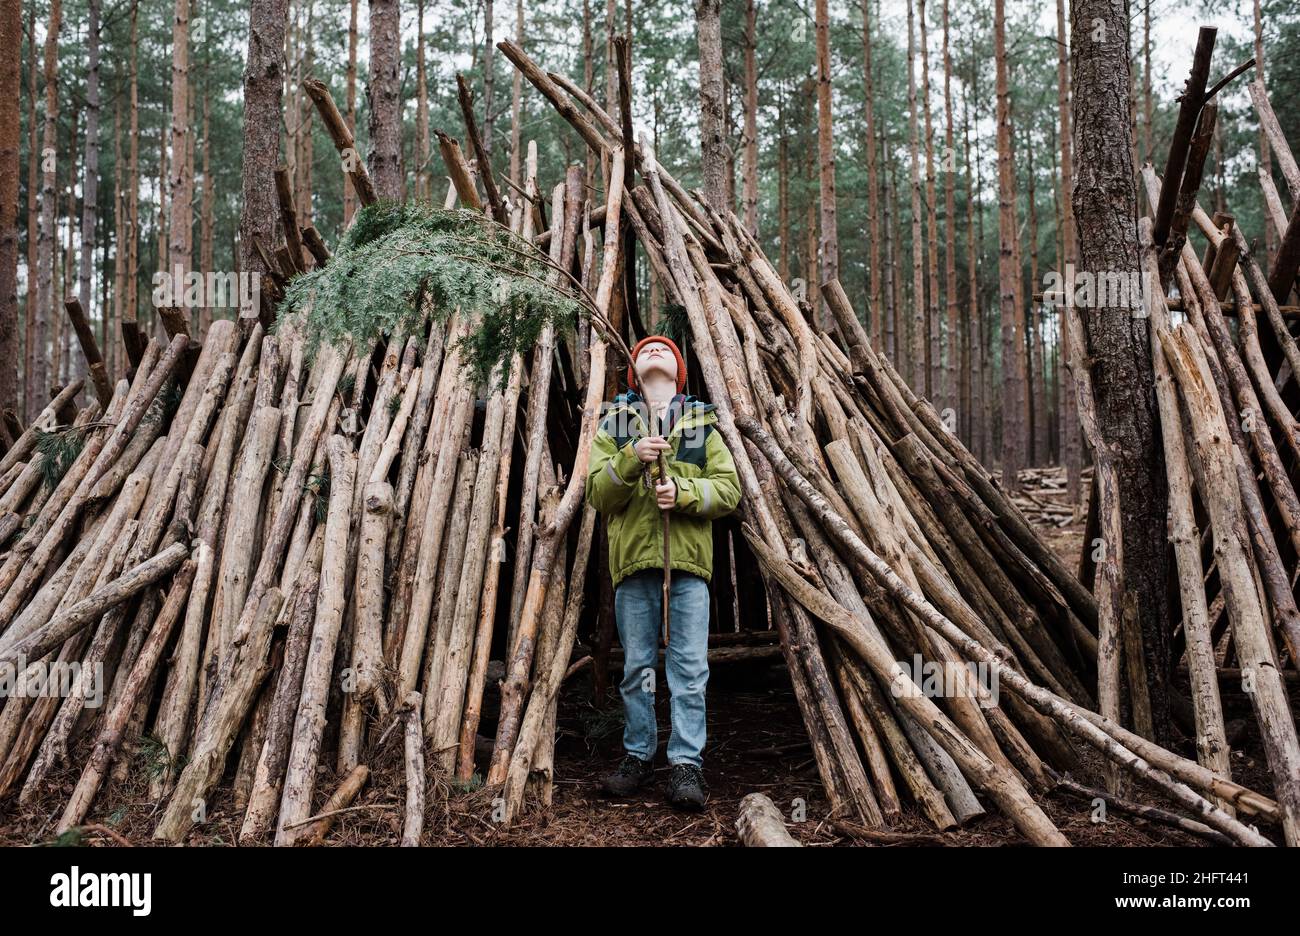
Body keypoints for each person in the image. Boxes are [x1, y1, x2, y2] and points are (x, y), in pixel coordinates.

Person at [584, 335, 742, 811]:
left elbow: (729, 489)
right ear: (633, 370)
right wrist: (632, 458)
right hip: (634, 565)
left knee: (690, 669)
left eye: (664, 349)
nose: (654, 349)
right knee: (636, 669)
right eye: (645, 348)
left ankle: (685, 764)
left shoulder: (700, 425)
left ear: (679, 370)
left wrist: (685, 493)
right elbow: (598, 493)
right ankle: (637, 756)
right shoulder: (614, 423)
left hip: (688, 566)